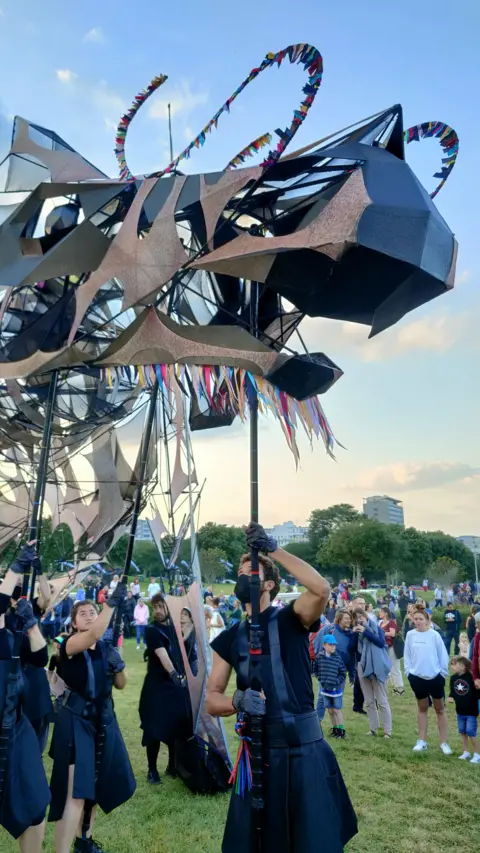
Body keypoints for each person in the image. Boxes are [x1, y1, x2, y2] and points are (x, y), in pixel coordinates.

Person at [206, 522, 357, 853]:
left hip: (304, 749)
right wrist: (238, 700)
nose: (243, 577)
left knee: (311, 841)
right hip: (259, 753)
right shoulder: (229, 638)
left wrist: (272, 549)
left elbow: (321, 589)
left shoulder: (292, 618)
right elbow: (211, 700)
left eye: (251, 572)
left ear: (269, 583)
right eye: (240, 573)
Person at [48, 591, 136, 853]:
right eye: (82, 614)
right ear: (74, 623)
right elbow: (94, 634)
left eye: (92, 612)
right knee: (76, 793)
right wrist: (110, 604)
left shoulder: (106, 649)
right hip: (76, 722)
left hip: (104, 722)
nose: (88, 616)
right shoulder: (69, 644)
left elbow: (121, 685)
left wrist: (118, 666)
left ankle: (84, 840)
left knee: (95, 788)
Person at [0, 543, 51, 852]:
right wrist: (17, 566)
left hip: (21, 712)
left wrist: (31, 625)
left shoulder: (20, 614)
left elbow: (41, 657)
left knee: (34, 800)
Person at [139, 594, 192, 784]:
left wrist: (191, 627)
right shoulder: (152, 629)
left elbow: (181, 647)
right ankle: (152, 770)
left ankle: (172, 765)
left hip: (174, 686)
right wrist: (174, 674)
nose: (158, 611)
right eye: (155, 607)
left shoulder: (174, 628)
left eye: (161, 606)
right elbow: (163, 654)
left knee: (174, 726)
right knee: (153, 727)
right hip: (156, 686)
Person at [404, 606, 451, 754]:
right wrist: (409, 673)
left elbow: (443, 655)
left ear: (427, 620)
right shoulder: (410, 635)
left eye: (420, 619)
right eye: (415, 619)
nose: (418, 621)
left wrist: (442, 674)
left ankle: (443, 743)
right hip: (417, 678)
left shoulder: (434, 635)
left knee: (440, 709)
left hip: (435, 677)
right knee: (422, 708)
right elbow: (407, 655)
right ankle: (422, 741)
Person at [352, 608, 392, 738]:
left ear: (366, 616)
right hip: (362, 665)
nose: (359, 619)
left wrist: (366, 632)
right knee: (369, 701)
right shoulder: (356, 632)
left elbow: (381, 643)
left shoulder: (376, 628)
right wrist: (354, 634)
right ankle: (373, 728)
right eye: (356, 617)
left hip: (375, 665)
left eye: (361, 616)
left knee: (381, 700)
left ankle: (387, 731)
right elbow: (351, 648)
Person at [313, 634, 347, 738]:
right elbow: (315, 669)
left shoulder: (337, 658)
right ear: (324, 645)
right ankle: (335, 729)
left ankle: (341, 731)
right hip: (325, 689)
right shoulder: (319, 657)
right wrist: (321, 679)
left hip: (336, 690)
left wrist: (337, 681)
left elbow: (343, 673)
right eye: (330, 645)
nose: (333, 647)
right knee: (330, 710)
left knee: (336, 710)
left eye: (334, 645)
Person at [448, 656, 480, 763]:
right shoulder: (453, 678)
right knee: (463, 732)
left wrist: (478, 688)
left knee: (471, 733)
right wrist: (451, 696)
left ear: (462, 666)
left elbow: (478, 693)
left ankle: (477, 755)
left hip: (471, 712)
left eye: (454, 664)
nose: (452, 666)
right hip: (460, 711)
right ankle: (466, 752)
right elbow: (453, 690)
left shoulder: (471, 677)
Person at [379, 606, 404, 695]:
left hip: (392, 647)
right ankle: (394, 687)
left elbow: (392, 633)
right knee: (388, 668)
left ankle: (399, 688)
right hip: (384, 648)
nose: (379, 613)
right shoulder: (381, 623)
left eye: (381, 611)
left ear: (386, 613)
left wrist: (381, 633)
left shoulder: (391, 622)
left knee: (395, 667)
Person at [180, 607, 198, 677]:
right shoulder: (175, 628)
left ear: (190, 618)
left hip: (191, 662)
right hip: (179, 663)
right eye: (180, 614)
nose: (182, 616)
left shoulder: (192, 628)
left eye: (185, 614)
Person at [471, 612, 480, 687]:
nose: (475, 625)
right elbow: (475, 656)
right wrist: (476, 677)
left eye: (477, 623)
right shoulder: (478, 636)